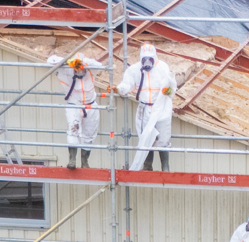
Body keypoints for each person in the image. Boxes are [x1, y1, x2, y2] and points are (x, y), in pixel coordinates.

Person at [115, 44, 177, 172]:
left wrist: (169, 91)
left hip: (161, 107)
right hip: (145, 108)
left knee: (163, 137)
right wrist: (121, 89)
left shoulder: (162, 67)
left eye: (150, 59)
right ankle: (148, 166)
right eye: (144, 59)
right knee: (146, 137)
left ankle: (165, 166)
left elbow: (171, 83)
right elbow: (128, 83)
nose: (147, 62)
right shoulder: (135, 70)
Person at [48, 52, 101, 169]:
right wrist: (68, 61)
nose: (80, 71)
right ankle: (72, 159)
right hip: (73, 104)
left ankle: (84, 161)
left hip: (90, 105)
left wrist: (84, 62)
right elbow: (50, 60)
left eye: (82, 68)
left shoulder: (91, 70)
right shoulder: (65, 70)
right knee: (73, 130)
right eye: (77, 68)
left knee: (89, 134)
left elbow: (98, 64)